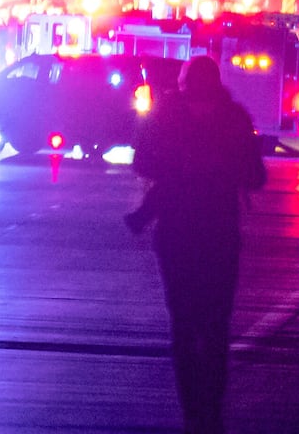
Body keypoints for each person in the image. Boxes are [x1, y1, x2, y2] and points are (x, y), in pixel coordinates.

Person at [127, 54, 266, 434]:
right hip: (220, 232)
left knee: (184, 325)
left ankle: (192, 412)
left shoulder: (166, 115)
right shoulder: (235, 118)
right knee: (217, 324)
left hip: (176, 234)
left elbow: (142, 163)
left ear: (184, 82)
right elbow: (256, 177)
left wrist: (178, 171)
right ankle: (212, 412)